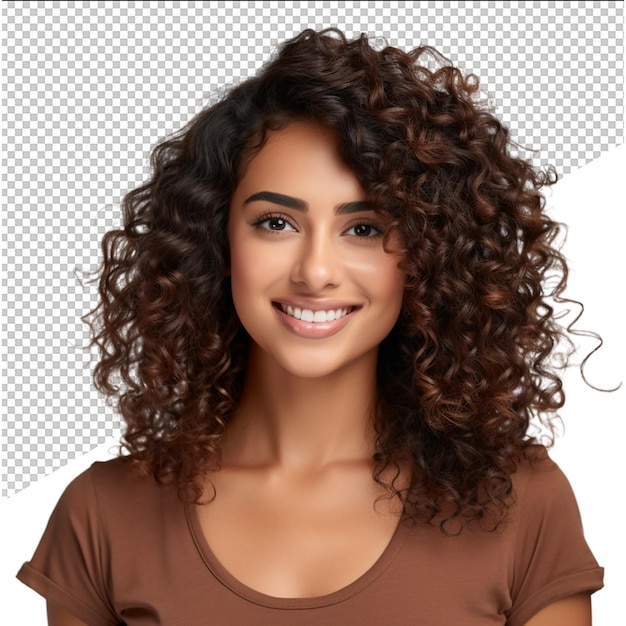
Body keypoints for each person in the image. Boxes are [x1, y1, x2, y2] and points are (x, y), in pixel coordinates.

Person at [17, 28, 603, 625]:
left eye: (365, 228)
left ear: (431, 256)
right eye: (275, 223)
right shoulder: (105, 515)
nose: (316, 272)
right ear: (214, 241)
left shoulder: (519, 504)